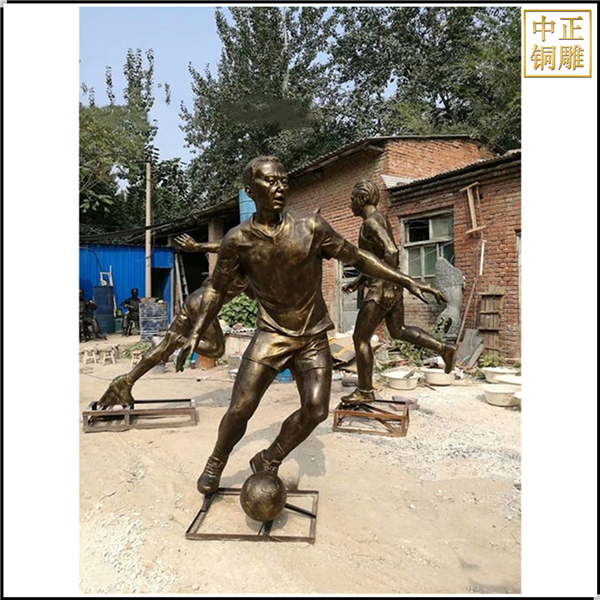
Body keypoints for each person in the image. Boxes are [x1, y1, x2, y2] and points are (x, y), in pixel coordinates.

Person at [174, 156, 447, 496]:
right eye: (270, 181)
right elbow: (216, 289)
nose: (279, 187)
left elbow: (358, 257)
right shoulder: (237, 240)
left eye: (283, 181)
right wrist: (196, 332)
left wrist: (406, 280)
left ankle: (269, 458)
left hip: (313, 335)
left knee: (316, 409)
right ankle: (216, 460)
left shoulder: (311, 227)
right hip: (271, 334)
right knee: (241, 408)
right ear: (250, 190)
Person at [97, 238, 249, 409]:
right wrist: (198, 246)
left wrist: (197, 247)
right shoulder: (248, 260)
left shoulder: (248, 267)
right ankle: (178, 340)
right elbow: (229, 244)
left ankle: (124, 382)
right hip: (203, 303)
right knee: (216, 349)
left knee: (164, 346)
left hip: (194, 299)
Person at [341, 180, 457, 404]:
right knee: (399, 330)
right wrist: (359, 280)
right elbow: (376, 260)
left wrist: (385, 286)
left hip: (381, 290)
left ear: (362, 199)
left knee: (360, 338)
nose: (350, 204)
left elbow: (391, 252)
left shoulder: (371, 223)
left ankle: (365, 391)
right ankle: (443, 348)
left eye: (352, 199)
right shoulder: (379, 218)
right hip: (392, 286)